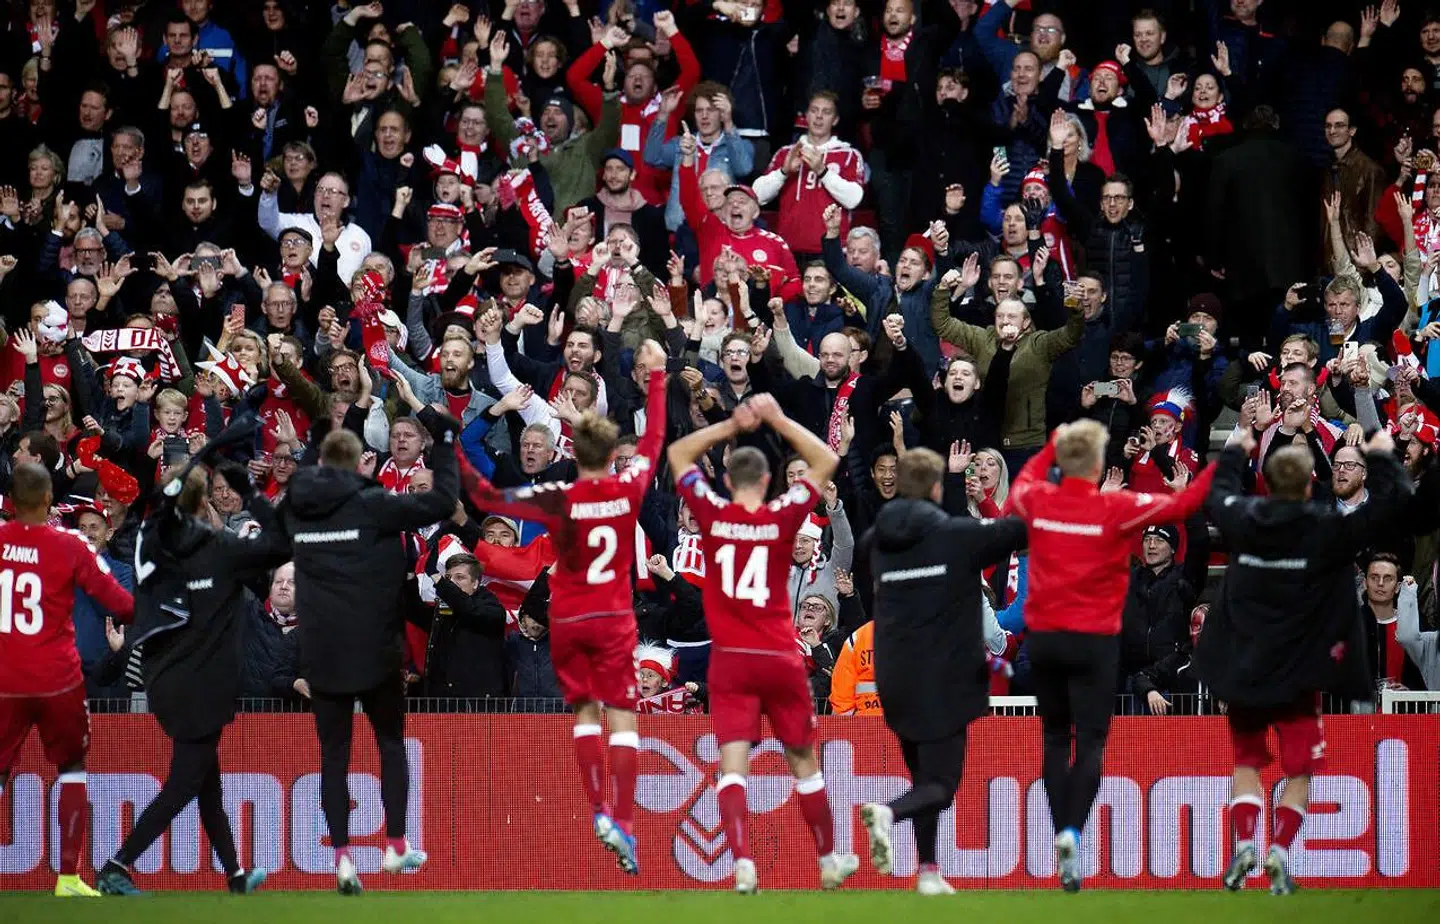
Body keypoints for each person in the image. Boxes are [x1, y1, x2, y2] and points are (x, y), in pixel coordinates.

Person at [453, 340, 669, 876]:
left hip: (569, 623)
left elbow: (483, 494)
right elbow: (658, 437)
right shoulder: (628, 489)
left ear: (572, 454)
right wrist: (659, 379)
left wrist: (458, 442)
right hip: (613, 619)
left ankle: (597, 807)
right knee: (621, 722)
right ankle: (617, 816)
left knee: (583, 718)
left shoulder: (555, 498)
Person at [1006, 419, 1216, 891]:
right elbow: (1187, 505)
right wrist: (1214, 464)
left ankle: (1060, 829)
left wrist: (1048, 451)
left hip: (1046, 638)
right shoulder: (1115, 507)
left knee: (1056, 739)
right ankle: (1073, 835)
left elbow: (1016, 489)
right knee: (1093, 743)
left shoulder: (1039, 499)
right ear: (1100, 464)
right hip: (1095, 640)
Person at [1197, 426, 1408, 896]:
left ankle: (1245, 844)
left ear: (1267, 482)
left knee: (1247, 764)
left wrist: (1236, 448)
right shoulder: (1329, 529)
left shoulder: (1246, 519)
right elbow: (1388, 504)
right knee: (1299, 771)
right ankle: (1281, 854)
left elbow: (1219, 493)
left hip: (1248, 671)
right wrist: (1382, 456)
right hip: (1299, 676)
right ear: (1312, 481)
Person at [667, 393, 860, 894]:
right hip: (778, 654)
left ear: (729, 481)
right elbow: (825, 460)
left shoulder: (711, 512)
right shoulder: (781, 517)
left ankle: (744, 862)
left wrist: (729, 424)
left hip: (729, 659)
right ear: (770, 482)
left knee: (733, 766)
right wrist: (778, 417)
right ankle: (827, 860)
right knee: (803, 763)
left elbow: (677, 455)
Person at [274, 410, 460, 895]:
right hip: (375, 650)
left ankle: (341, 858)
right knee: (390, 744)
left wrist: (297, 456)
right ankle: (395, 845)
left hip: (323, 655)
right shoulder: (375, 505)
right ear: (361, 465)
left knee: (333, 754)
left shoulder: (297, 511)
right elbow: (443, 498)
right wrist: (442, 441)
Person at [96, 453, 288, 896]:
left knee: (208, 785)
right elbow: (278, 545)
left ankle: (236, 876)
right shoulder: (218, 551)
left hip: (175, 683)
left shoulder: (158, 557)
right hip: (199, 687)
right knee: (185, 783)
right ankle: (116, 865)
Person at [857, 447, 1027, 896]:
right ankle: (888, 813)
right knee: (940, 785)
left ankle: (928, 870)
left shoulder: (875, 540)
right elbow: (1019, 529)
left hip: (894, 677)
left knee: (922, 779)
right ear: (936, 487)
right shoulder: (957, 536)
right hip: (943, 677)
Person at [0, 463, 135, 897]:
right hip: (58, 679)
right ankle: (69, 877)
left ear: (12, 502)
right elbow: (119, 602)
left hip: (4, 679)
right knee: (72, 771)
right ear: (46, 502)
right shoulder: (70, 544)